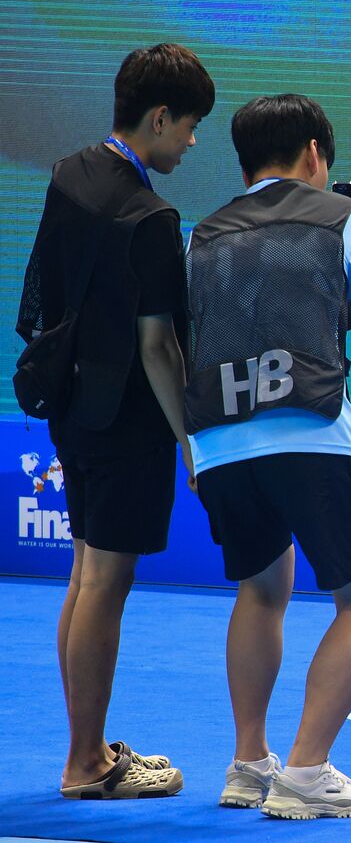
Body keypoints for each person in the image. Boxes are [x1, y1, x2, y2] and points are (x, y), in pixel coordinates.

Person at [185, 94, 351, 817]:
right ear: (314, 154)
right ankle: (306, 771)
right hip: (310, 435)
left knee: (261, 590)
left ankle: (249, 763)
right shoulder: (344, 218)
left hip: (216, 443)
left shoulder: (203, 233)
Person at [15, 42, 213, 799]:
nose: (192, 142)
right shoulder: (152, 216)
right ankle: (86, 764)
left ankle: (88, 747)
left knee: (84, 571)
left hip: (70, 405)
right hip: (127, 418)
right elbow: (160, 347)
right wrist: (190, 439)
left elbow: (41, 297)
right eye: (188, 126)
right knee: (106, 578)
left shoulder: (69, 172)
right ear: (158, 116)